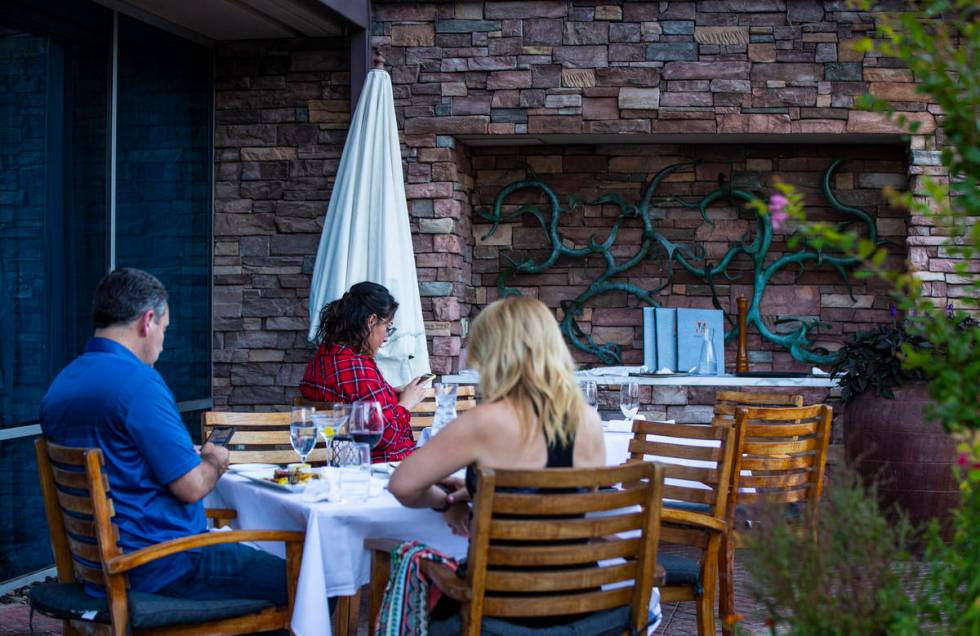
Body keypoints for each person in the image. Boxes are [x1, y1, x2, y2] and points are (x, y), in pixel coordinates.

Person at [40, 268, 286, 605]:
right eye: (164, 330)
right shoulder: (139, 384)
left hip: (96, 567)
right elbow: (193, 486)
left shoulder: (61, 385)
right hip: (163, 565)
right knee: (313, 587)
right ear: (147, 321)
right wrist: (214, 459)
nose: (163, 343)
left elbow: (121, 462)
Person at [388, 294, 605, 544]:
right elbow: (574, 500)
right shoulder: (589, 420)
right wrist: (481, 492)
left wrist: (446, 504)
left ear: (491, 355)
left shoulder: (483, 422)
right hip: (580, 579)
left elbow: (402, 486)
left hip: (495, 582)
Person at [300, 281, 428, 463]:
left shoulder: (323, 358)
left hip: (343, 460)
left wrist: (390, 393)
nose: (385, 338)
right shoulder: (357, 367)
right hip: (381, 466)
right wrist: (407, 403)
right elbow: (384, 436)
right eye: (387, 327)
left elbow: (353, 401)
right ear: (371, 321)